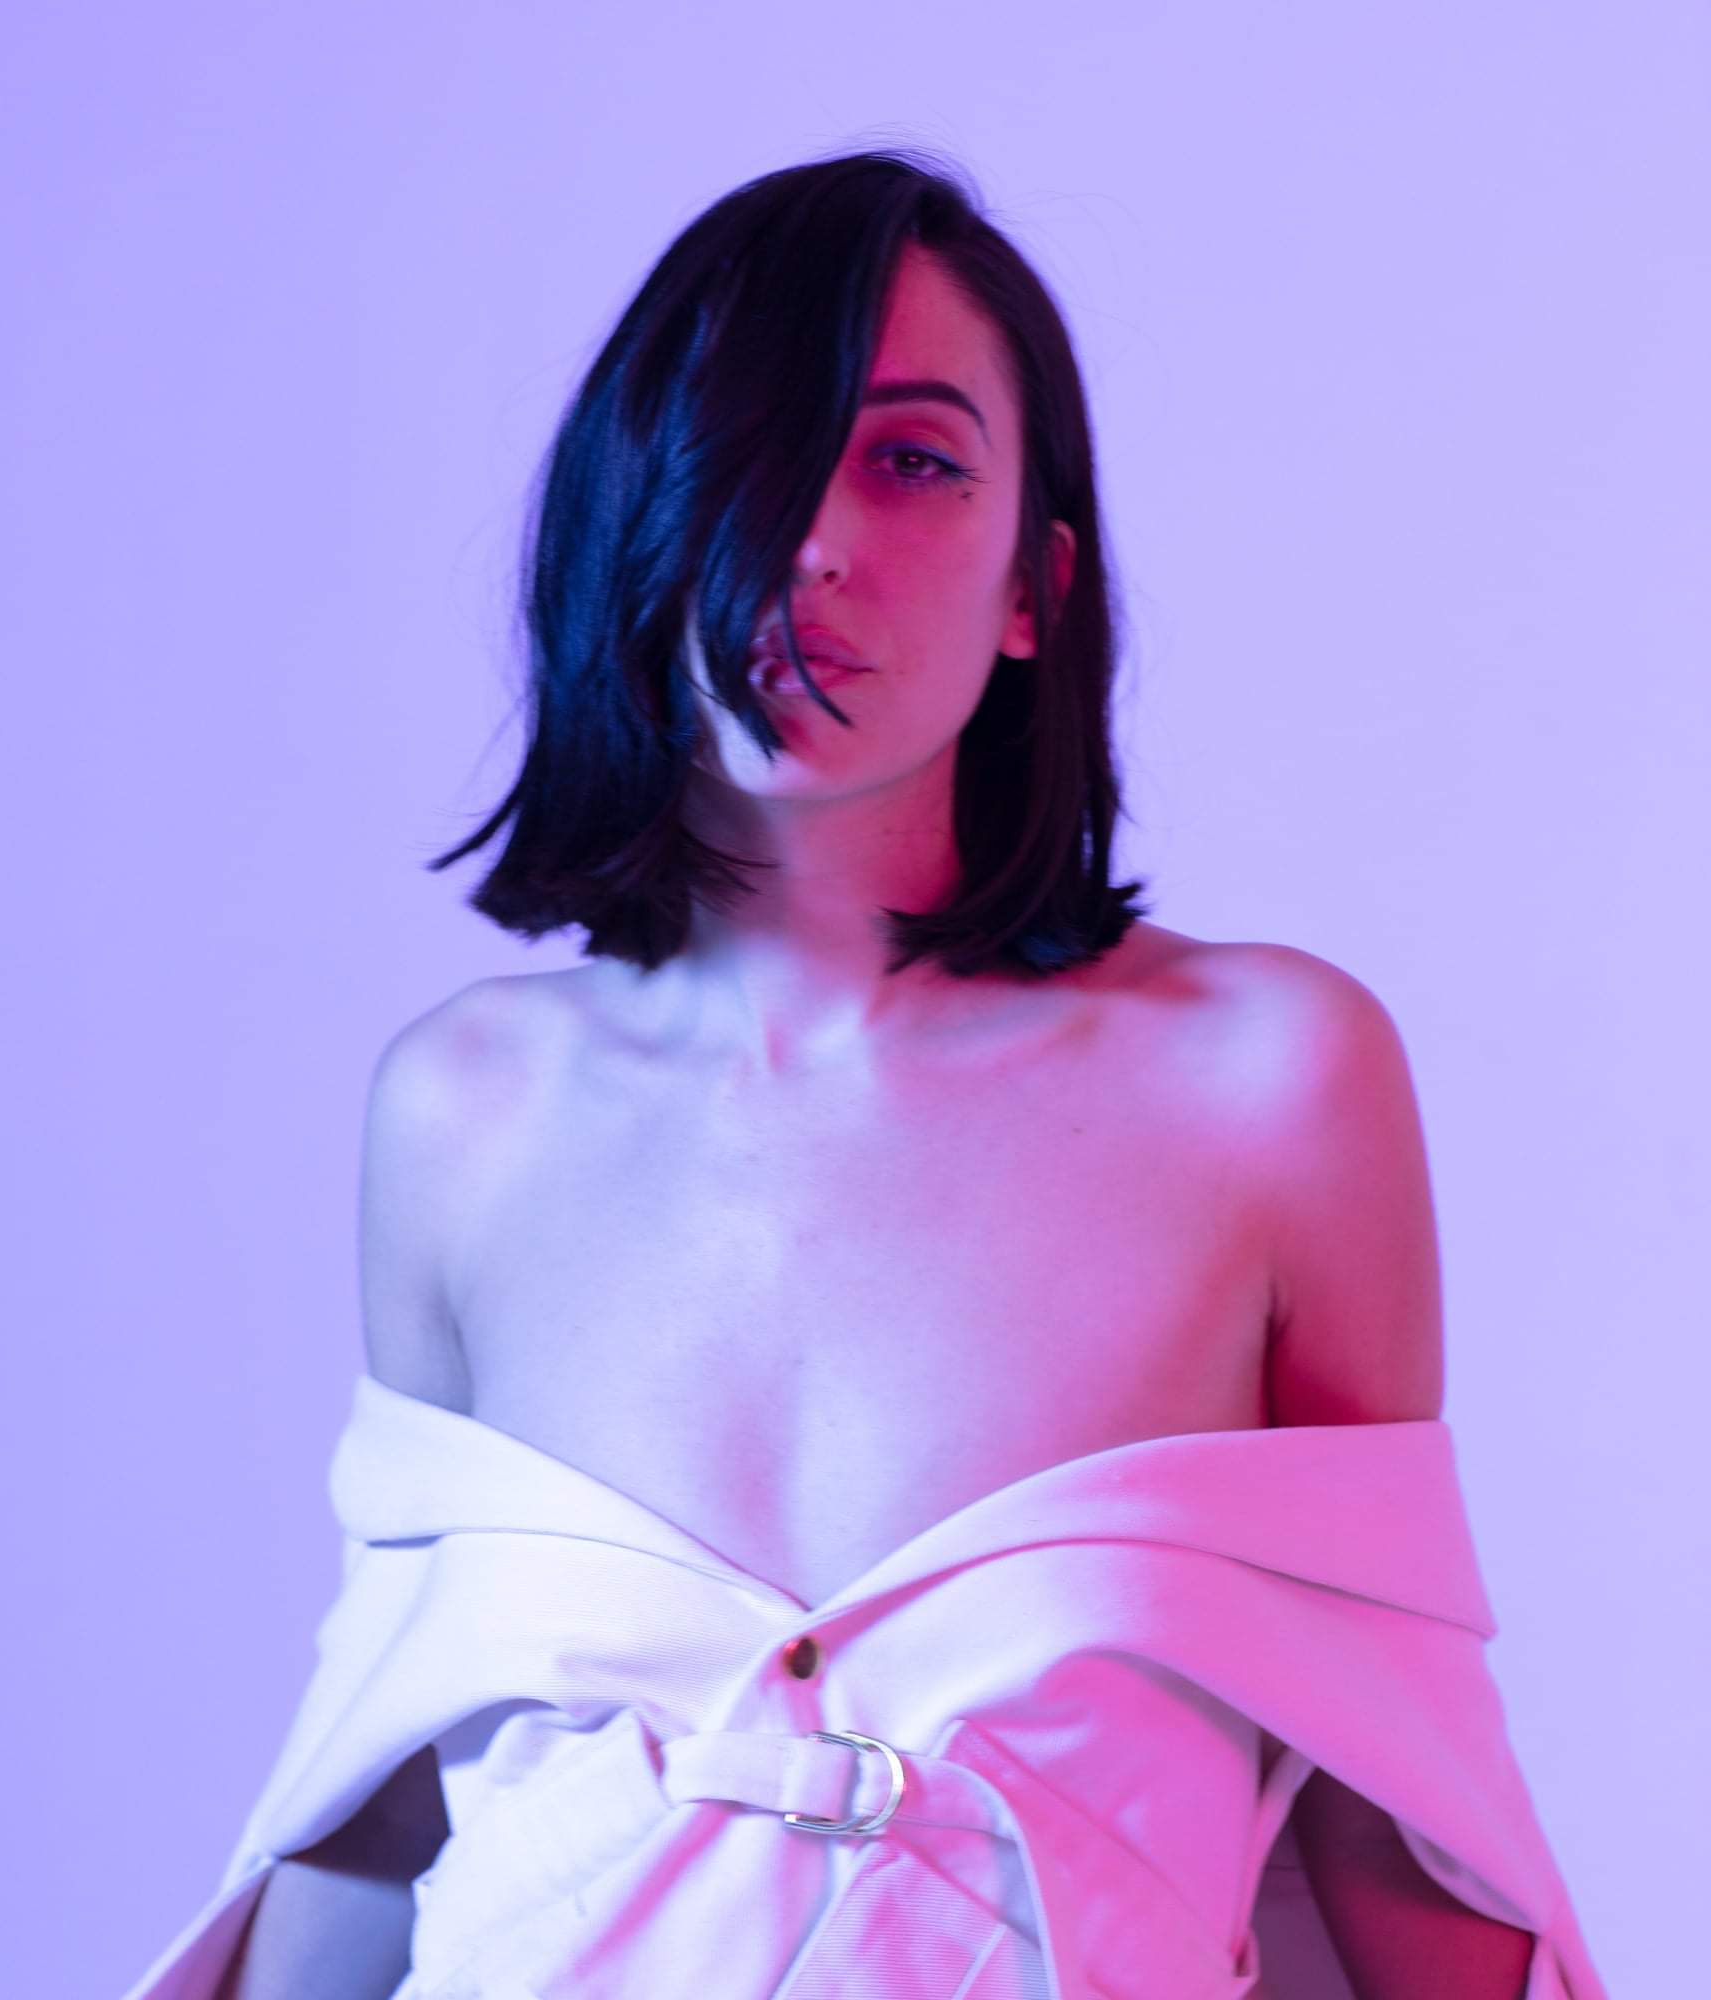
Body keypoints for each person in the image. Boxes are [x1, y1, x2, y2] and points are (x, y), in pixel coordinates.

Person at [127, 147, 1605, 2000]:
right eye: (745, 452)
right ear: (629, 518)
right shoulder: (464, 1113)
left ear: (1032, 588)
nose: (813, 542)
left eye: (910, 461)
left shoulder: (1273, 1083)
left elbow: (1397, 1818)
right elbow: (379, 1807)